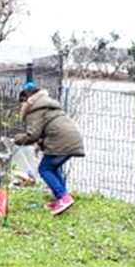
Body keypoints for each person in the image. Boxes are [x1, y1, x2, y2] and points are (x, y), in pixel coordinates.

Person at [13, 83, 84, 216]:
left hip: (61, 141)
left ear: (25, 100)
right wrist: (41, 143)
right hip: (73, 139)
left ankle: (63, 197)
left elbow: (32, 134)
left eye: (20, 103)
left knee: (44, 169)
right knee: (53, 167)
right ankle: (61, 198)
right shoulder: (48, 105)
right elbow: (47, 129)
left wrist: (16, 140)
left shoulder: (34, 109)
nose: (20, 107)